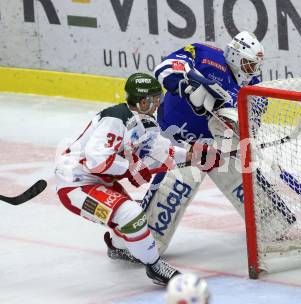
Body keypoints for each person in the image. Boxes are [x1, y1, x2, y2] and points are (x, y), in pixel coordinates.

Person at [54, 73, 218, 286]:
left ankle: (117, 247)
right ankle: (155, 266)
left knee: (130, 227)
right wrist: (133, 167)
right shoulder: (116, 118)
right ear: (143, 101)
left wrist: (194, 155)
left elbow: (160, 152)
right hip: (75, 185)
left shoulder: (145, 123)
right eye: (155, 98)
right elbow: (96, 160)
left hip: (97, 183)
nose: (158, 103)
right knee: (132, 216)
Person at [141, 31, 266, 254]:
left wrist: (230, 121)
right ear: (235, 57)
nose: (253, 71)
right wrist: (188, 85)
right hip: (178, 140)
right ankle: (139, 241)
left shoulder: (255, 86)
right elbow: (164, 68)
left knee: (265, 209)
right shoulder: (204, 55)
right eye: (248, 65)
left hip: (217, 148)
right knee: (167, 195)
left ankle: (272, 226)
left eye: (255, 65)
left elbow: (252, 125)